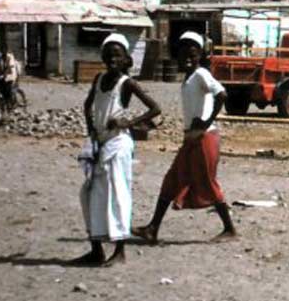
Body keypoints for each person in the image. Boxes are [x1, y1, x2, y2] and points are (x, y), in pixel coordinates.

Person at [134, 31, 237, 245]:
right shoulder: (189, 78)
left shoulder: (201, 74)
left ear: (200, 55)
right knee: (171, 180)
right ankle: (152, 228)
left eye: (192, 54)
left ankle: (229, 228)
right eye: (183, 54)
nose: (187, 58)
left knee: (208, 183)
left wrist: (206, 122)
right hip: (191, 138)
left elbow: (222, 94)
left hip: (204, 138)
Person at [75, 33, 161, 266]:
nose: (112, 59)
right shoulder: (99, 79)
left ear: (125, 59)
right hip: (101, 142)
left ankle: (120, 250)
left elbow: (155, 109)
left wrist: (128, 122)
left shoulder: (127, 83)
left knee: (117, 194)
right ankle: (96, 249)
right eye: (108, 55)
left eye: (117, 55)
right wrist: (92, 131)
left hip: (118, 144)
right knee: (89, 193)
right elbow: (87, 105)